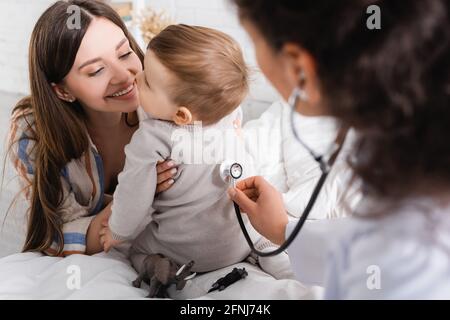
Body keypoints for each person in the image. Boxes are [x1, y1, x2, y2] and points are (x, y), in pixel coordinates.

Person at [228, 0, 450, 298]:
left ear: (299, 69)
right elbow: (367, 240)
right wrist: (283, 230)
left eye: (253, 41)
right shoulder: (398, 143)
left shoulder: (410, 260)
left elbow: (382, 250)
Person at [99, 24, 295, 280]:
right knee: (254, 230)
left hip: (185, 252)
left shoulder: (152, 139)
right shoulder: (227, 114)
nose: (137, 78)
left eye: (146, 81)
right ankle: (275, 257)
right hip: (240, 240)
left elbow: (132, 195)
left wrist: (116, 232)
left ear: (181, 115)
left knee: (131, 248)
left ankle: (158, 267)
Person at [6, 0, 177, 257]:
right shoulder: (32, 132)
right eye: (97, 70)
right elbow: (55, 235)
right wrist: (138, 193)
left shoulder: (165, 95)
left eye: (124, 53)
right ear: (63, 91)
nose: (124, 76)